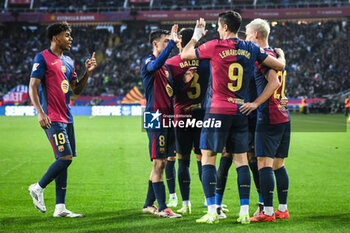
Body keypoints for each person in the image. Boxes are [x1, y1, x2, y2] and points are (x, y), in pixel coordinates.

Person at [181, 12, 285, 224]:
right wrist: (282, 56)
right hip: (240, 111)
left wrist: (196, 36)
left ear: (226, 27)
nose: (218, 30)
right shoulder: (251, 48)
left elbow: (184, 55)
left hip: (217, 110)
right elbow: (279, 66)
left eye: (219, 27)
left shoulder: (214, 45)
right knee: (241, 161)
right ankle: (244, 211)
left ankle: (212, 211)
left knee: (208, 157)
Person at [28, 21, 97, 217]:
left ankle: (60, 208)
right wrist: (40, 113)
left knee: (63, 159)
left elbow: (75, 89)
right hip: (52, 117)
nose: (70, 38)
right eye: (67, 35)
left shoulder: (68, 61)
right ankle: (38, 187)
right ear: (55, 37)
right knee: (65, 158)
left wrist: (87, 73)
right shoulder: (42, 58)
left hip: (67, 117)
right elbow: (32, 86)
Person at [242, 18, 291, 222]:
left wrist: (255, 103)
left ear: (256, 35)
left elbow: (274, 82)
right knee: (278, 165)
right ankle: (282, 209)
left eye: (246, 33)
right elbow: (280, 79)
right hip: (283, 115)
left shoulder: (263, 57)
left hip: (269, 116)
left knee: (264, 164)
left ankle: (268, 212)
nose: (245, 37)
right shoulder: (276, 55)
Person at [165, 28, 210, 214]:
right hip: (202, 116)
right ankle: (209, 201)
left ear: (180, 41)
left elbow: (170, 93)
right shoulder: (207, 61)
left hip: (181, 115)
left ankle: (185, 204)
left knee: (182, 160)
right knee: (204, 159)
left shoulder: (172, 63)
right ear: (196, 41)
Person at [141, 26, 182, 218]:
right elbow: (153, 66)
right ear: (155, 44)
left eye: (169, 41)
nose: (169, 44)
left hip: (168, 117)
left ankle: (149, 204)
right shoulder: (149, 61)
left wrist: (184, 81)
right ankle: (163, 207)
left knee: (163, 163)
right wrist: (173, 44)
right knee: (159, 163)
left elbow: (171, 92)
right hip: (154, 116)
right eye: (166, 41)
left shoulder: (166, 68)